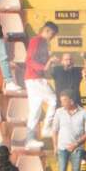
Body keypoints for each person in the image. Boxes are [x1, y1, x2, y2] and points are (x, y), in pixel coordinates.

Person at [43, 92, 86, 171]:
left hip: (77, 149)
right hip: (62, 148)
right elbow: (54, 130)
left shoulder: (84, 113)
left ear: (71, 101)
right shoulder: (59, 112)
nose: (62, 103)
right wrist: (55, 146)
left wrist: (76, 144)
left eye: (64, 100)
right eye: (61, 101)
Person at [22, 21, 60, 149]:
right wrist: (44, 66)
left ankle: (29, 140)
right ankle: (47, 128)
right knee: (53, 99)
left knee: (35, 110)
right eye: (52, 35)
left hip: (32, 78)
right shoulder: (37, 40)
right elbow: (29, 59)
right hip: (35, 78)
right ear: (47, 31)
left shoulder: (43, 43)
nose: (52, 38)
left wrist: (48, 63)